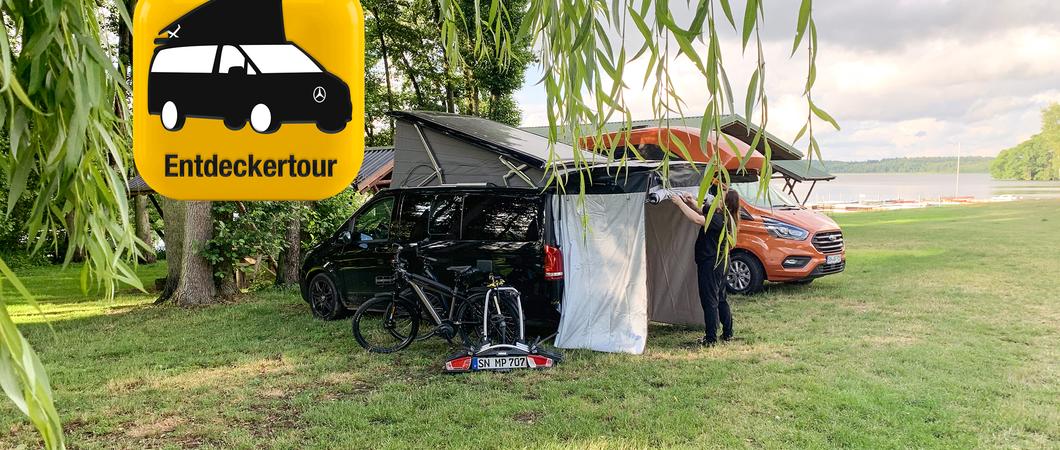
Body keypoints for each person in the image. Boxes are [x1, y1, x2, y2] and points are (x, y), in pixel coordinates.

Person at [670, 187, 740, 346]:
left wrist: (680, 204)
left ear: (725, 204)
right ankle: (728, 333)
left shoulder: (719, 219)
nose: (716, 200)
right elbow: (700, 209)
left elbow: (697, 219)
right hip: (722, 262)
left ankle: (711, 338)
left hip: (712, 264)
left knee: (710, 301)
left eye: (719, 198)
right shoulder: (721, 214)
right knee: (721, 298)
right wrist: (690, 201)